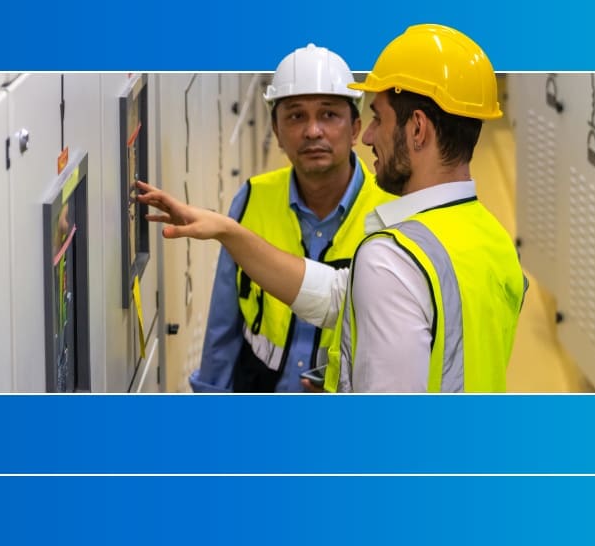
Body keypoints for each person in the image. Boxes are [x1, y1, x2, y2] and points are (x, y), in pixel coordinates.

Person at [142, 24, 526, 393]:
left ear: (417, 130)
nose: (371, 135)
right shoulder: (493, 240)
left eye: (379, 118)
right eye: (295, 116)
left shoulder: (393, 258)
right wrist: (229, 231)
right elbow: (340, 294)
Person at [189, 44, 394, 393]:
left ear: (355, 127)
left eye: (329, 115)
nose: (313, 131)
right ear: (277, 130)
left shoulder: (390, 214)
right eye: (296, 116)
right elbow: (223, 324)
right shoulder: (252, 198)